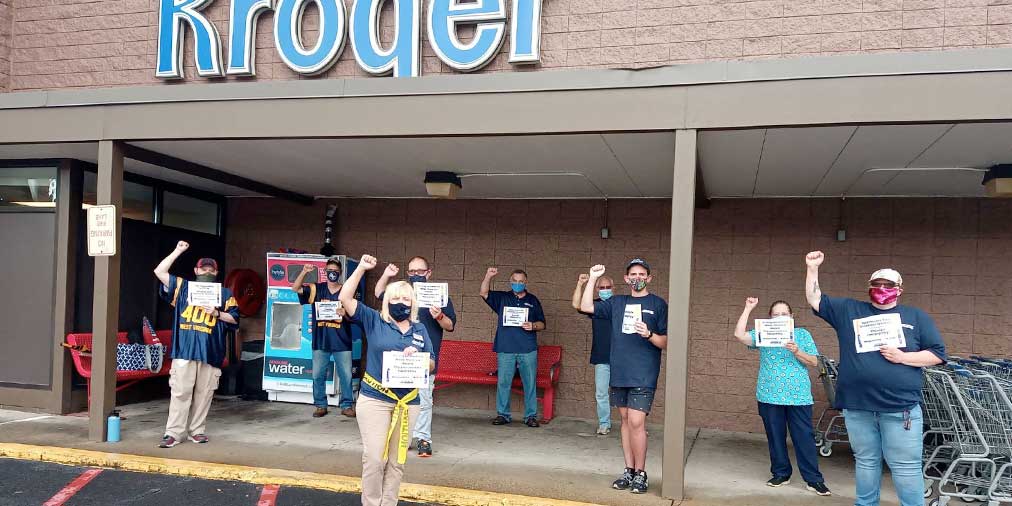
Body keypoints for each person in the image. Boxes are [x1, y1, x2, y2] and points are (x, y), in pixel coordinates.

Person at [804, 251, 946, 506]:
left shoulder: (916, 317)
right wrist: (812, 268)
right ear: (869, 287)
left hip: (900, 408)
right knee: (866, 461)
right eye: (877, 284)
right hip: (858, 406)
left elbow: (936, 355)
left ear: (899, 290)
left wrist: (903, 357)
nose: (882, 289)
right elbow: (815, 299)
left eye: (889, 285)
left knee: (905, 466)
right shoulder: (849, 310)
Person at [340, 254, 434, 506]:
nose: (400, 302)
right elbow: (345, 298)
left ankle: (388, 503)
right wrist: (360, 268)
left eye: (405, 298)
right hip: (375, 400)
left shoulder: (420, 329)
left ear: (413, 303)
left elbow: (433, 363)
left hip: (408, 404)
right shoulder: (374, 320)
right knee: (374, 458)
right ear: (386, 300)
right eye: (395, 297)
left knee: (396, 461)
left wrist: (420, 359)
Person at [580, 259, 667, 495]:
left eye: (641, 274)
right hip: (620, 371)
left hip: (644, 372)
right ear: (626, 279)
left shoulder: (657, 304)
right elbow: (587, 306)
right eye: (632, 274)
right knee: (626, 422)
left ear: (649, 278)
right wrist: (593, 277)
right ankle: (629, 470)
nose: (637, 278)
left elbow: (665, 341)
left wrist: (649, 333)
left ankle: (641, 473)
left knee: (638, 422)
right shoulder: (617, 302)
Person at [733, 297, 831, 496]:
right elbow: (740, 335)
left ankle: (813, 479)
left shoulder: (802, 334)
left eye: (783, 314)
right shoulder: (764, 333)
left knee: (804, 437)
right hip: (769, 394)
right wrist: (748, 308)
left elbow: (815, 362)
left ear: (791, 317)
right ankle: (781, 473)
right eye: (775, 314)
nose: (779, 317)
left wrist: (797, 351)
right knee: (775, 437)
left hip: (798, 396)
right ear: (770, 317)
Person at [153, 241, 240, 448]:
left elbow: (235, 320)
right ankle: (173, 433)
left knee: (204, 394)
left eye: (211, 269)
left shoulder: (225, 294)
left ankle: (197, 431)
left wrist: (217, 313)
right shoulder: (183, 288)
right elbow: (159, 271)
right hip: (185, 350)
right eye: (203, 268)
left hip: (211, 352)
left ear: (217, 271)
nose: (207, 271)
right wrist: (178, 251)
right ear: (196, 270)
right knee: (180, 392)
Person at [375, 256, 455, 458]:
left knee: (424, 401)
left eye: (420, 271)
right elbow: (378, 293)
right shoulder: (402, 294)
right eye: (412, 272)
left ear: (429, 272)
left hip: (424, 359)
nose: (416, 275)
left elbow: (450, 326)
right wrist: (386, 274)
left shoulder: (440, 296)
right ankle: (399, 438)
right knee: (395, 400)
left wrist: (438, 315)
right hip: (397, 357)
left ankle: (423, 438)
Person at [480, 267, 546, 427]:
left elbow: (542, 324)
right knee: (503, 382)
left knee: (529, 383)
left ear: (526, 282)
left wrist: (533, 325)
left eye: (521, 281)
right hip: (506, 348)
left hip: (527, 349)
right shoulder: (502, 298)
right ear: (510, 282)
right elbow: (483, 293)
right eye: (515, 281)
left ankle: (530, 416)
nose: (518, 284)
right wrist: (488, 275)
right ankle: (503, 415)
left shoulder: (533, 300)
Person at [291, 256, 356, 419]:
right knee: (317, 374)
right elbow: (295, 288)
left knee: (346, 375)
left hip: (342, 340)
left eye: (335, 271)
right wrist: (304, 272)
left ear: (340, 273)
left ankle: (347, 405)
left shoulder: (347, 291)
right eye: (329, 271)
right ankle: (320, 405)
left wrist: (345, 314)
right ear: (325, 272)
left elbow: (355, 316)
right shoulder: (316, 289)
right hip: (321, 340)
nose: (332, 274)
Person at [572, 272, 614, 435]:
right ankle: (604, 423)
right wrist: (580, 284)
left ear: (613, 288)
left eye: (608, 287)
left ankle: (634, 426)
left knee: (629, 394)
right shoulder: (594, 306)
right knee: (601, 393)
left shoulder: (620, 304)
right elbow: (576, 304)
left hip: (623, 357)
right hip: (602, 357)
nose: (605, 290)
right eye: (601, 287)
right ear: (596, 289)